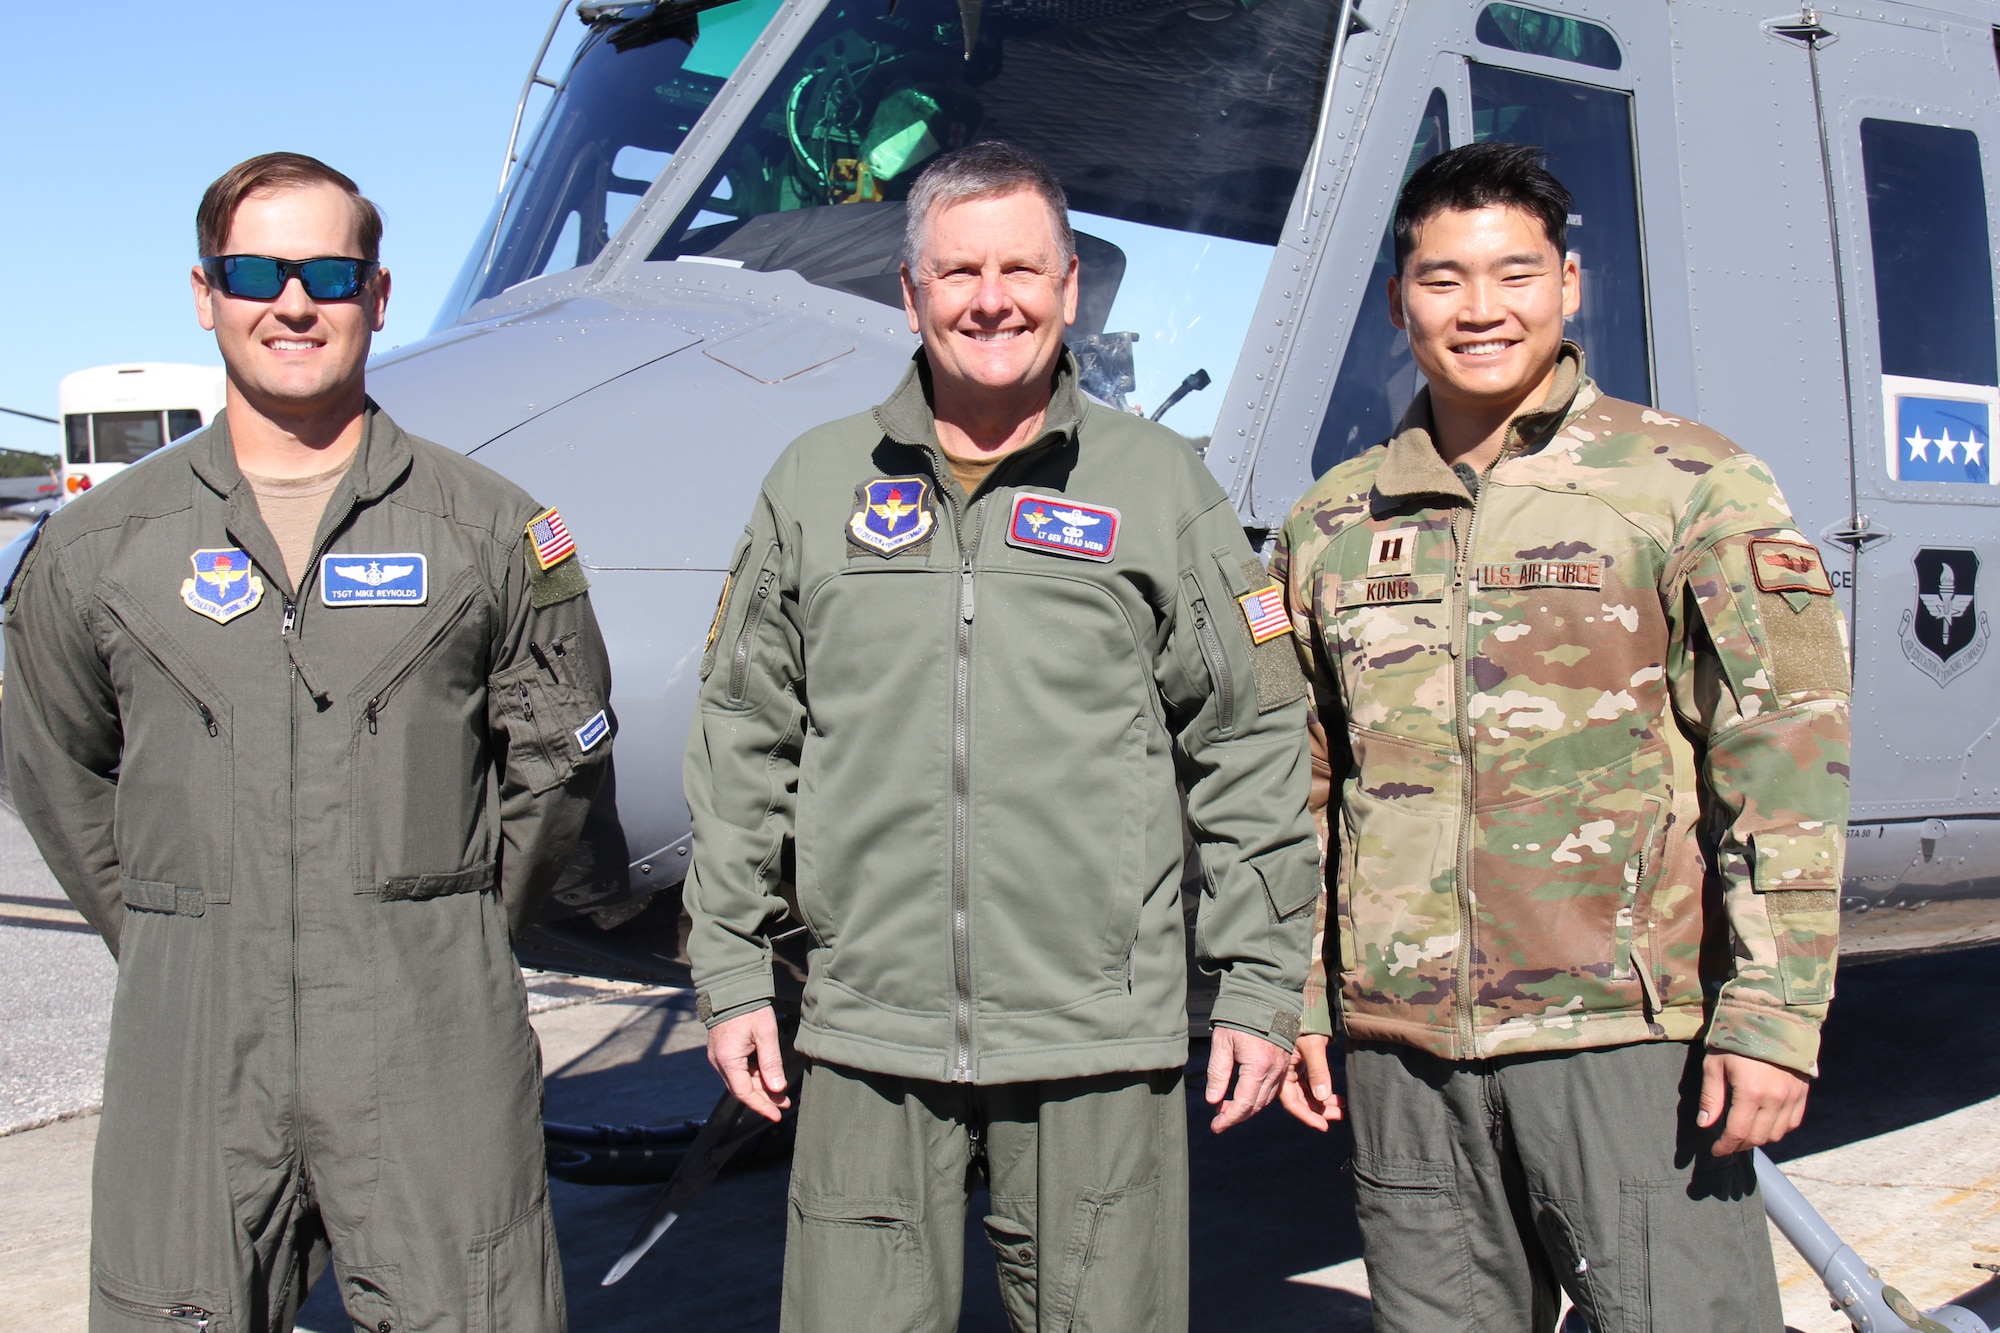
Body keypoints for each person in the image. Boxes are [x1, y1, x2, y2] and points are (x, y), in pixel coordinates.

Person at [683, 140, 1318, 1332]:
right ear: (911, 292)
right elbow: (743, 737)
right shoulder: (815, 485)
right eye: (958, 271)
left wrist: (1258, 983)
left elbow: (1249, 740)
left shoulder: (1158, 489)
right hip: (871, 1029)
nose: (992, 300)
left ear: (1070, 287)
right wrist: (729, 972)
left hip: (1095, 1039)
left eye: (1022, 269)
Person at [1, 152, 612, 1331]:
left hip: (429, 1031)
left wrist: (448, 934)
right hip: (192, 1035)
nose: (294, 302)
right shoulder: (96, 548)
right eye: (256, 272)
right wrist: (176, 930)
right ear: (204, 292)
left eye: (330, 272)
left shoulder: (495, 532)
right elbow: (55, 770)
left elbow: (559, 762)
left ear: (377, 296)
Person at [1274, 141, 1851, 1332]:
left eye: (1512, 274)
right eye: (1441, 279)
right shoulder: (1329, 520)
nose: (1478, 310)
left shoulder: (1688, 482)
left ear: (1568, 284)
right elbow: (1296, 785)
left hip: (1622, 1038)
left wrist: (1773, 1017)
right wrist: (1294, 1000)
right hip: (1403, 1048)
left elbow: (1784, 757)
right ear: (1397, 300)